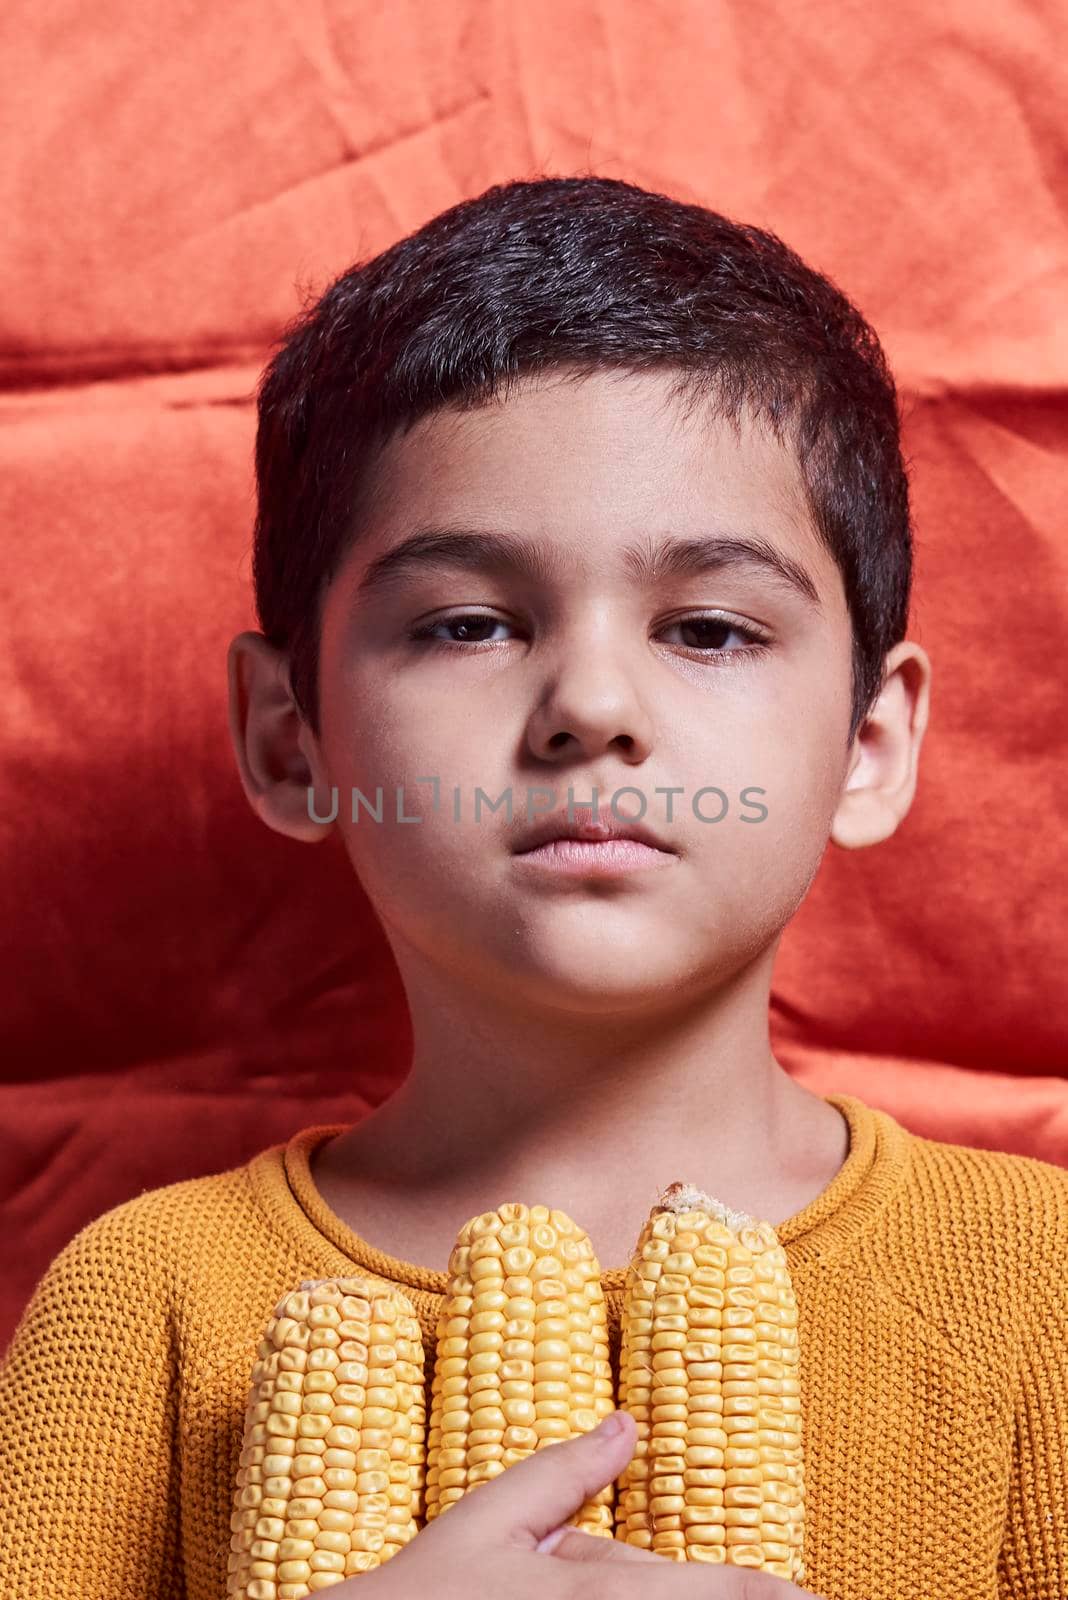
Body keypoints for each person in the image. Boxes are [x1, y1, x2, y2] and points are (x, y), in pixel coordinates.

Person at [1, 174, 1064, 1600]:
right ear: (289, 736)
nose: (590, 706)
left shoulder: (1037, 1292)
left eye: (707, 627)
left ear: (870, 744)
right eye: (467, 623)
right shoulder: (143, 1307)